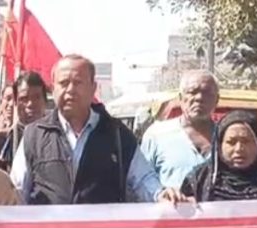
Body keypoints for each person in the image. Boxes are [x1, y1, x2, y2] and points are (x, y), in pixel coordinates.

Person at [10, 55, 184, 205]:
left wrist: (160, 194)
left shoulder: (116, 134)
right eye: (63, 83)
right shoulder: (34, 135)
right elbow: (16, 192)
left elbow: (142, 179)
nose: (70, 90)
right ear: (53, 89)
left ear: (93, 88)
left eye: (78, 83)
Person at [181, 110, 257, 201]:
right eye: (231, 142)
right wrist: (176, 199)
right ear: (219, 146)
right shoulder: (198, 180)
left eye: (246, 141)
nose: (239, 149)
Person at [140, 70, 219, 189]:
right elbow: (141, 181)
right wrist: (163, 194)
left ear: (217, 100)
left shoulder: (228, 138)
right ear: (181, 98)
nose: (199, 98)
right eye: (192, 92)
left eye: (207, 92)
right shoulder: (156, 135)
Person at [0, 71, 48, 171]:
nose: (30, 103)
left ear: (45, 101)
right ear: (16, 102)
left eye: (36, 97)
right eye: (24, 99)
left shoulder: (58, 138)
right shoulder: (1, 141)